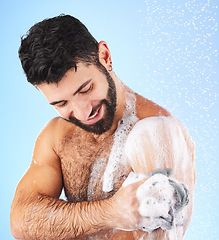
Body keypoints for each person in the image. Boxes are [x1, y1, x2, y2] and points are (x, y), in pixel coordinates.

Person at [10, 14, 196, 240]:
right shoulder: (57, 136)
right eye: (61, 103)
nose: (82, 113)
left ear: (105, 56)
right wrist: (112, 212)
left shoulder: (156, 134)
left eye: (85, 89)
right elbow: (22, 221)